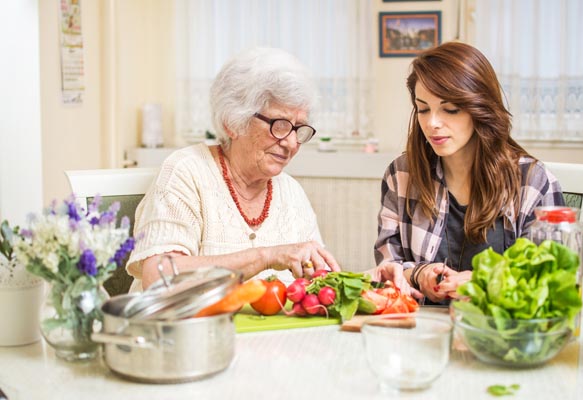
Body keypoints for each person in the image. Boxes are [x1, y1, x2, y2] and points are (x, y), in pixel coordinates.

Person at [127, 47, 408, 292]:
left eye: (299, 128)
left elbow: (317, 285)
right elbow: (158, 277)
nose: (292, 143)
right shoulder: (187, 172)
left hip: (266, 347)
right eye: (280, 124)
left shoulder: (290, 194)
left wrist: (369, 281)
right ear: (232, 122)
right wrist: (264, 256)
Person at [374, 41, 565, 304]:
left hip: (500, 335)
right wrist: (419, 274)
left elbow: (553, 281)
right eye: (423, 109)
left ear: (480, 107)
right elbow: (387, 268)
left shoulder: (532, 182)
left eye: (450, 109)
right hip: (421, 330)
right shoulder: (401, 174)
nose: (432, 123)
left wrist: (487, 283)